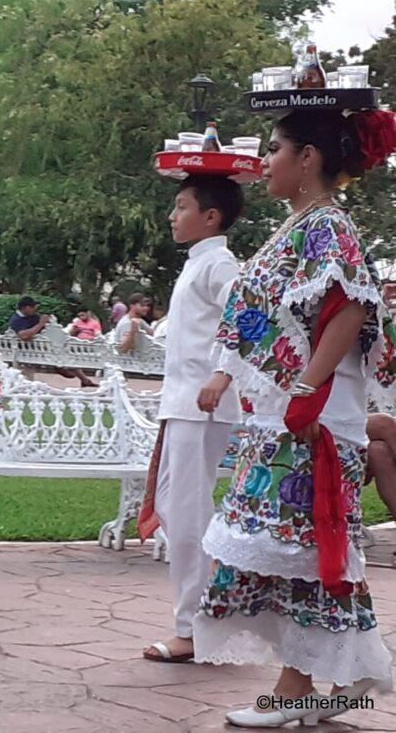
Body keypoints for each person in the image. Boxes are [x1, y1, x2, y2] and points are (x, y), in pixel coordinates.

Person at [192, 107, 396, 727]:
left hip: (310, 415)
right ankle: (331, 677)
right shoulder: (298, 228)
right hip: (282, 412)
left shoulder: (328, 227)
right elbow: (260, 316)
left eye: (275, 149)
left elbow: (349, 310)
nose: (266, 162)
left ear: (307, 158)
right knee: (298, 544)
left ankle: (295, 689)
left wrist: (307, 390)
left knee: (299, 543)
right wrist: (231, 374)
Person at [136, 175, 243, 665]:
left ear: (211, 217)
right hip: (184, 402)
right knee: (176, 508)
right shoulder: (199, 264)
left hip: (202, 406)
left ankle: (194, 627)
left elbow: (246, 317)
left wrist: (222, 375)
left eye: (182, 206)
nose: (173, 216)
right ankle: (209, 612)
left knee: (187, 515)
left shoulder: (219, 263)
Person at [10, 297, 96, 387]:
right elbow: (24, 336)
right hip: (28, 350)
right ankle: (59, 367)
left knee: (63, 351)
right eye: (34, 307)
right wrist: (41, 324)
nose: (36, 309)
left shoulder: (33, 317)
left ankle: (83, 379)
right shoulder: (17, 320)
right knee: (60, 352)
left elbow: (45, 330)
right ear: (26, 308)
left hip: (42, 347)